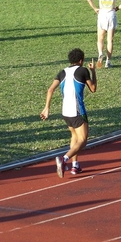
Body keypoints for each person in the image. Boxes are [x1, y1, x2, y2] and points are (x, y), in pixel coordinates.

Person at [40, 48, 97, 178]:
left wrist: (47, 108)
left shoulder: (62, 72)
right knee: (82, 140)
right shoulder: (83, 71)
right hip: (77, 111)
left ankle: (75, 165)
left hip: (65, 112)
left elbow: (50, 90)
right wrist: (93, 72)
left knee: (74, 137)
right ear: (81, 60)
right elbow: (93, 88)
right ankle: (64, 159)